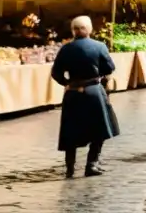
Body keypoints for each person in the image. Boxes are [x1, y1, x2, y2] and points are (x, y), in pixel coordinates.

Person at [51, 16, 119, 178]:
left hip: (73, 92)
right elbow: (109, 68)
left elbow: (55, 72)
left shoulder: (66, 49)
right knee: (99, 128)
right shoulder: (99, 46)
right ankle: (91, 164)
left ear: (73, 30)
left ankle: (70, 168)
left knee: (70, 130)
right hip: (93, 90)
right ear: (89, 29)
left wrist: (67, 83)